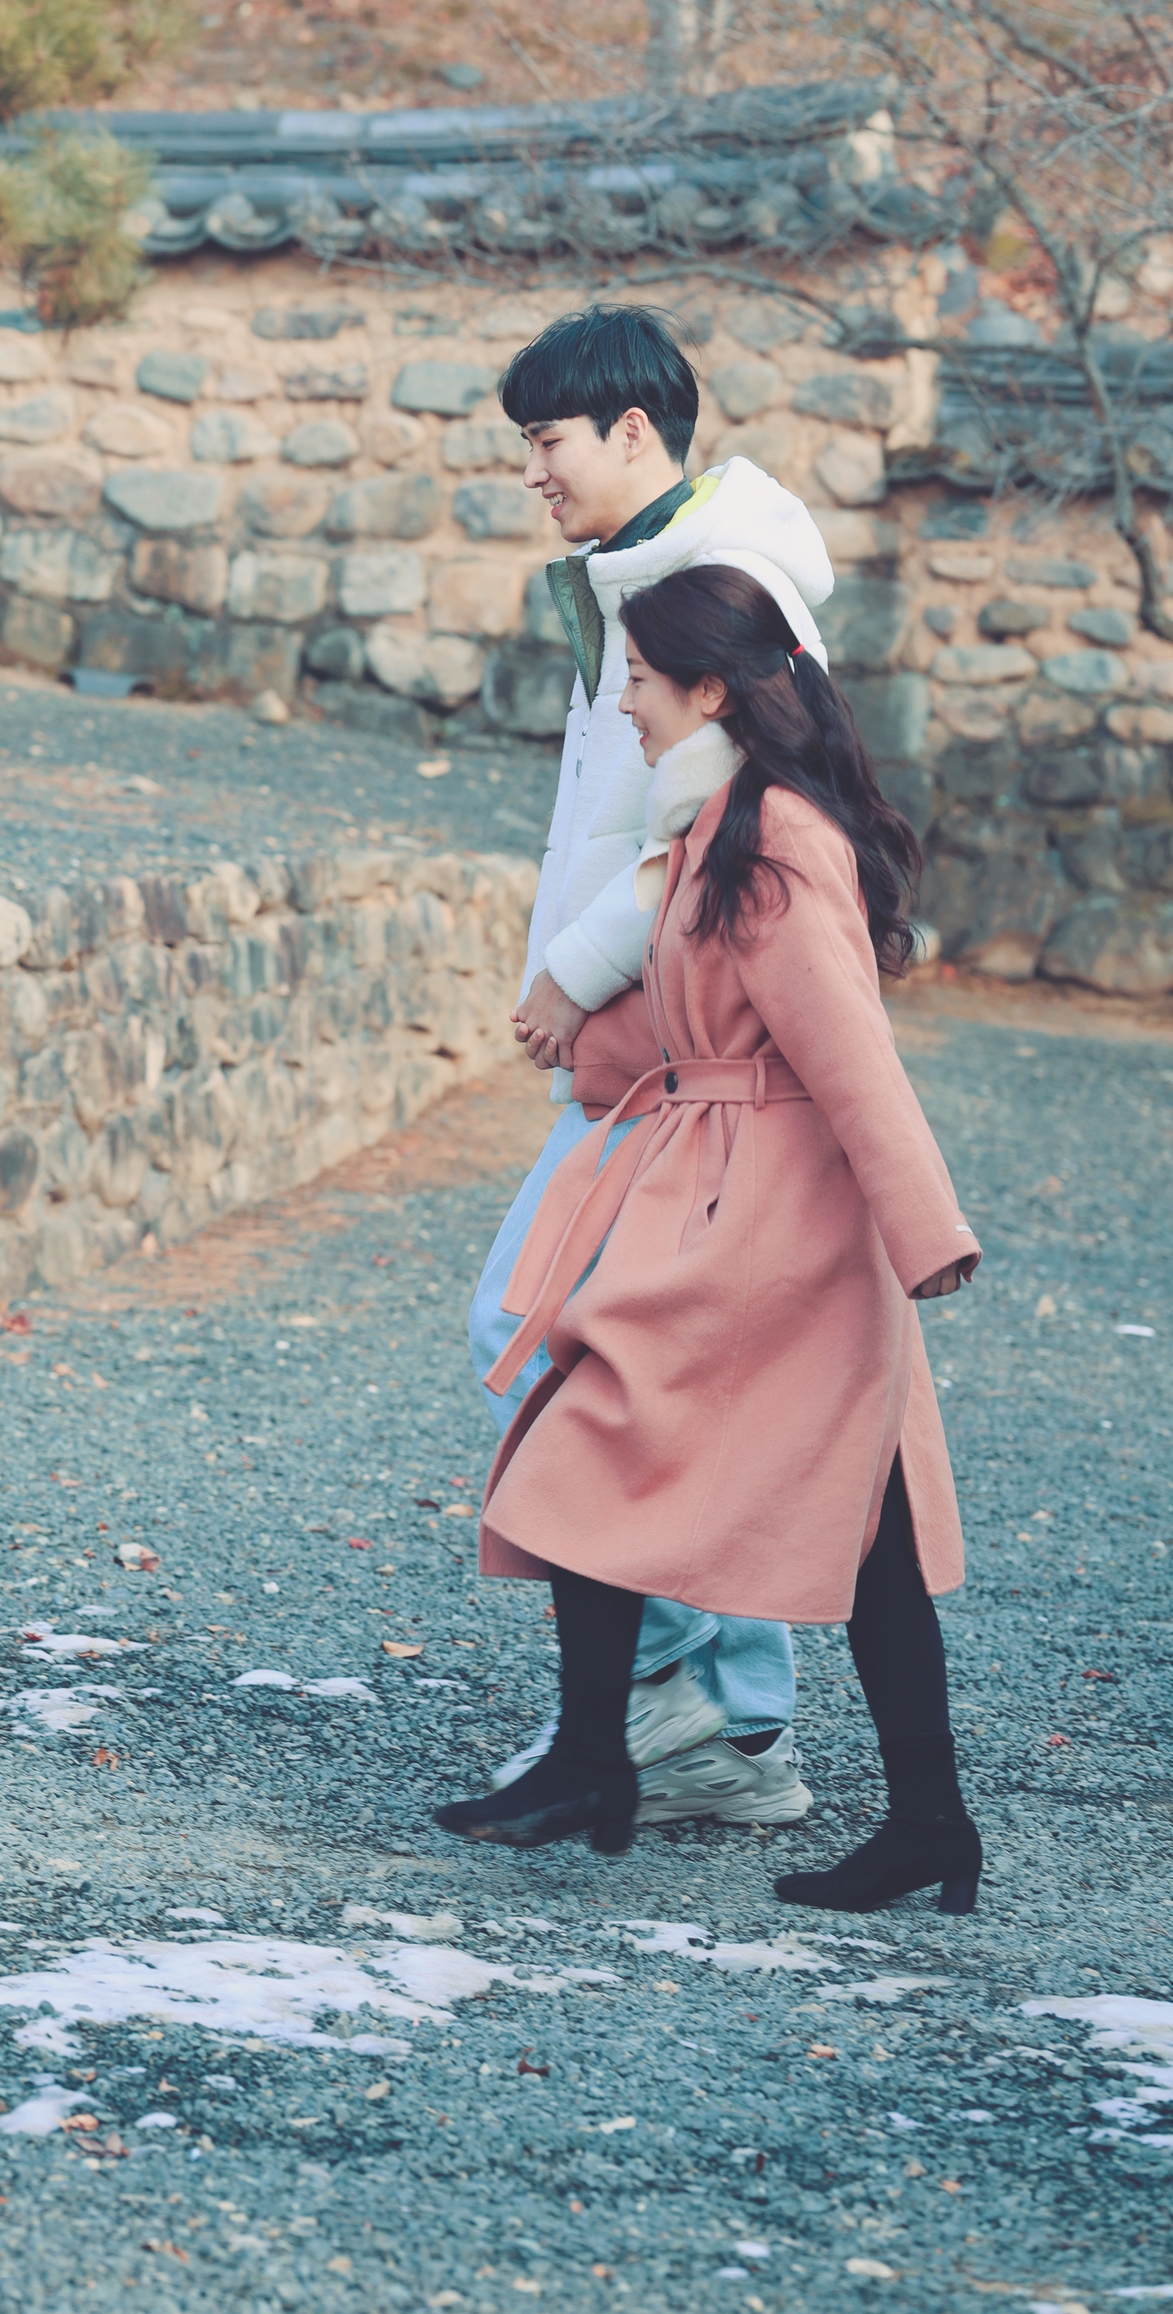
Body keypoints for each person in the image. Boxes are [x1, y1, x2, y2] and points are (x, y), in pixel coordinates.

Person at [436, 564, 984, 1914]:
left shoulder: (773, 833)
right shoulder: (712, 819)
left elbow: (845, 1047)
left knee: (614, 1440)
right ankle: (911, 1820)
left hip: (781, 1212)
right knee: (859, 1524)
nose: (621, 701)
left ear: (711, 690)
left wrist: (925, 1230)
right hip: (720, 1180)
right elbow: (696, 1012)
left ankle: (607, 1765)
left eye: (638, 678)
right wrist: (588, 1044)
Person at [469, 305, 835, 1828]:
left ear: (633, 430)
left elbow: (722, 818)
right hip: (641, 1040)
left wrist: (576, 969)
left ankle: (699, 1701)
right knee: (633, 1354)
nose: (533, 472)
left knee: (538, 1324)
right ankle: (724, 1725)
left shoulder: (725, 582)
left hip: (685, 1051)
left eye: (547, 441)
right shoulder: (633, 570)